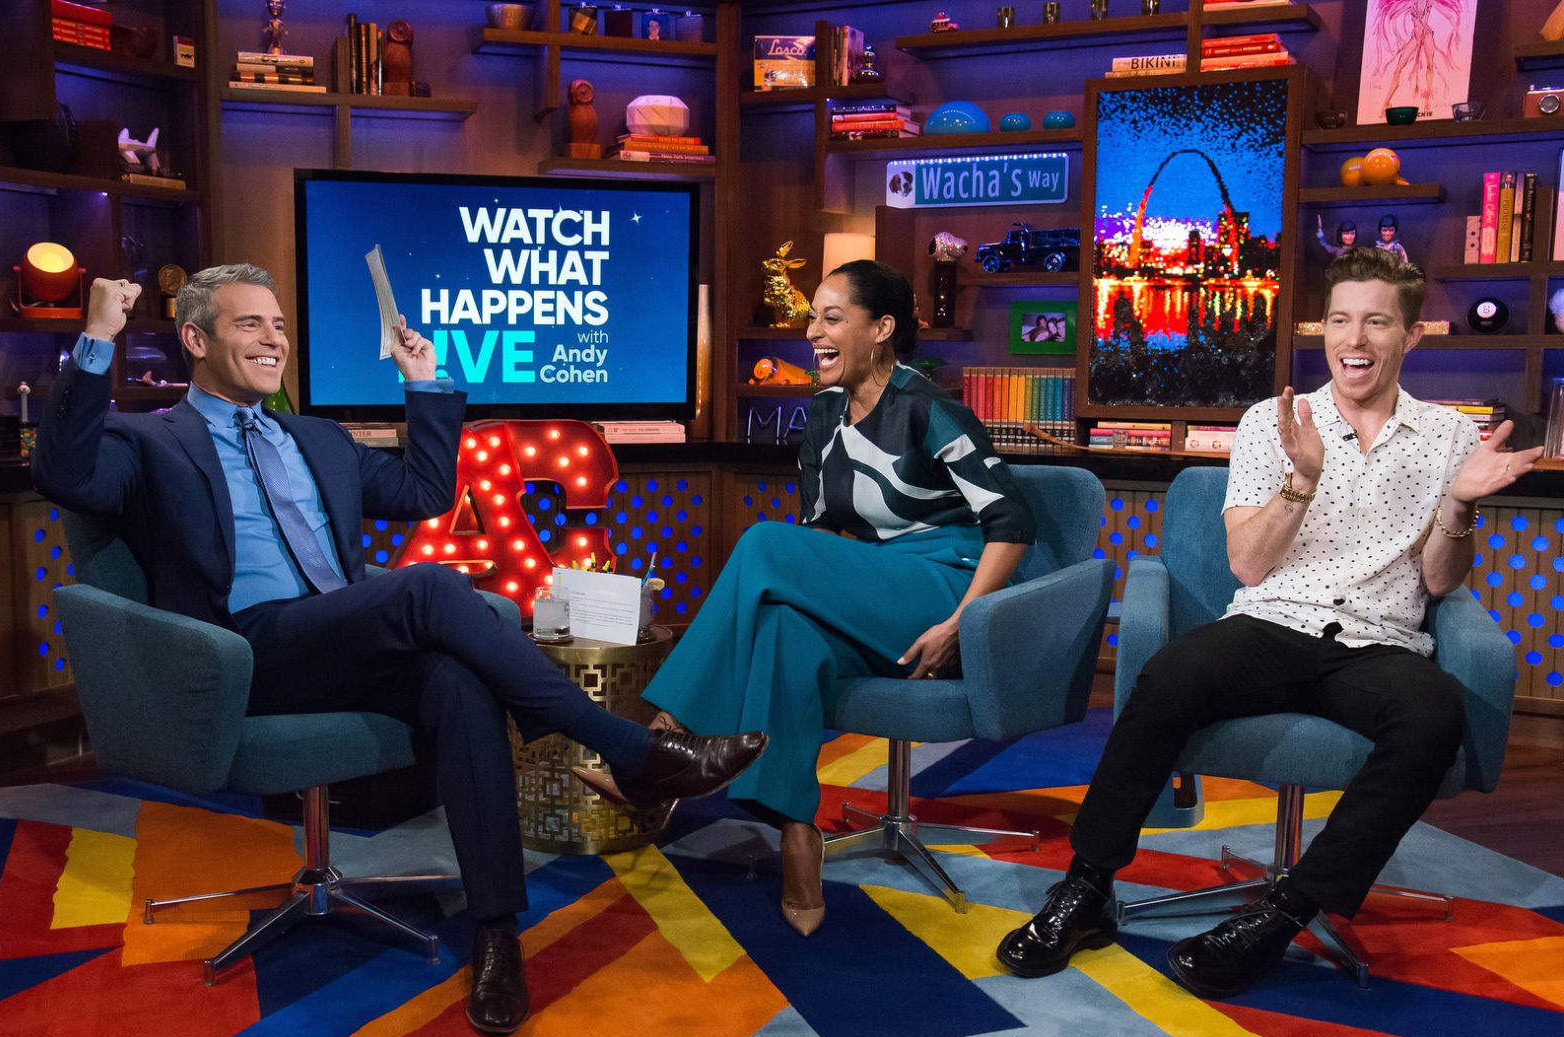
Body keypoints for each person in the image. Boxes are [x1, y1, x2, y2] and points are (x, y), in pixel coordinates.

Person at [31, 266, 766, 1037]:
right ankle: (628, 750)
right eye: (250, 324)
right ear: (195, 338)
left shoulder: (315, 436)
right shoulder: (148, 439)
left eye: (278, 324)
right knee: (426, 588)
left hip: (340, 637)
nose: (273, 339)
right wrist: (98, 339)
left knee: (457, 682)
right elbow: (65, 474)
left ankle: (494, 934)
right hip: (243, 652)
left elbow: (420, 493)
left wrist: (426, 383)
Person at [995, 247, 1542, 998]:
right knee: (1169, 677)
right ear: (1324, 329)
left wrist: (1459, 506)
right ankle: (1087, 891)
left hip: (1380, 640)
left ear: (1411, 336)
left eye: (1377, 322)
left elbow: (1441, 583)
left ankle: (1278, 918)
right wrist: (1301, 480)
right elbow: (1249, 567)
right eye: (1342, 320)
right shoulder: (1275, 422)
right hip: (1274, 621)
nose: (1355, 339)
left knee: (1433, 714)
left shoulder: (1451, 438)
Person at [580, 260, 1036, 937]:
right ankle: (799, 835)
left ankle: (656, 746)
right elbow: (823, 532)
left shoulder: (931, 409)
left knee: (763, 544)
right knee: (787, 628)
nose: (811, 333)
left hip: (945, 585)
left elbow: (1013, 522)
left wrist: (959, 622)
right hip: (873, 579)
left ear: (881, 329)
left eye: (831, 318)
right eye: (810, 318)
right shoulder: (822, 413)